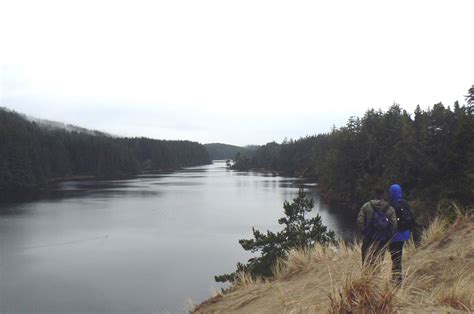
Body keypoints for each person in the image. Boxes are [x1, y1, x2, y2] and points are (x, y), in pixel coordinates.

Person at [357, 187, 397, 267]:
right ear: (384, 195)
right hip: (382, 238)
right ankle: (376, 275)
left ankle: (366, 275)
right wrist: (390, 236)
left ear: (375, 194)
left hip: (369, 236)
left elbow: (360, 220)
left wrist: (363, 230)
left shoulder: (367, 206)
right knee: (379, 258)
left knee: (366, 258)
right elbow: (394, 224)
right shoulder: (390, 209)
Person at [388, 184, 414, 286]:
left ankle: (397, 280)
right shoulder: (404, 203)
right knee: (398, 256)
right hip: (404, 234)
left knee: (395, 257)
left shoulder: (391, 205)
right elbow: (411, 217)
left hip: (394, 236)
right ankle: (396, 277)